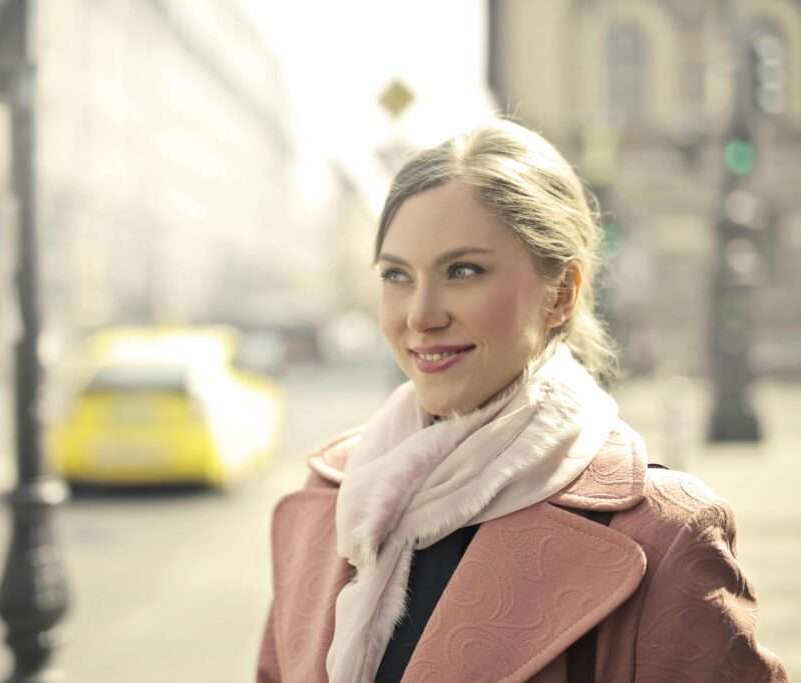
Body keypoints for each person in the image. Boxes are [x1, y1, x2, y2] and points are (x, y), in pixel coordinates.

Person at [256, 118, 786, 683]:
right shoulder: (331, 496)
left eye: (463, 271)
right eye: (397, 275)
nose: (420, 315)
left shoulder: (662, 534)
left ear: (560, 294)